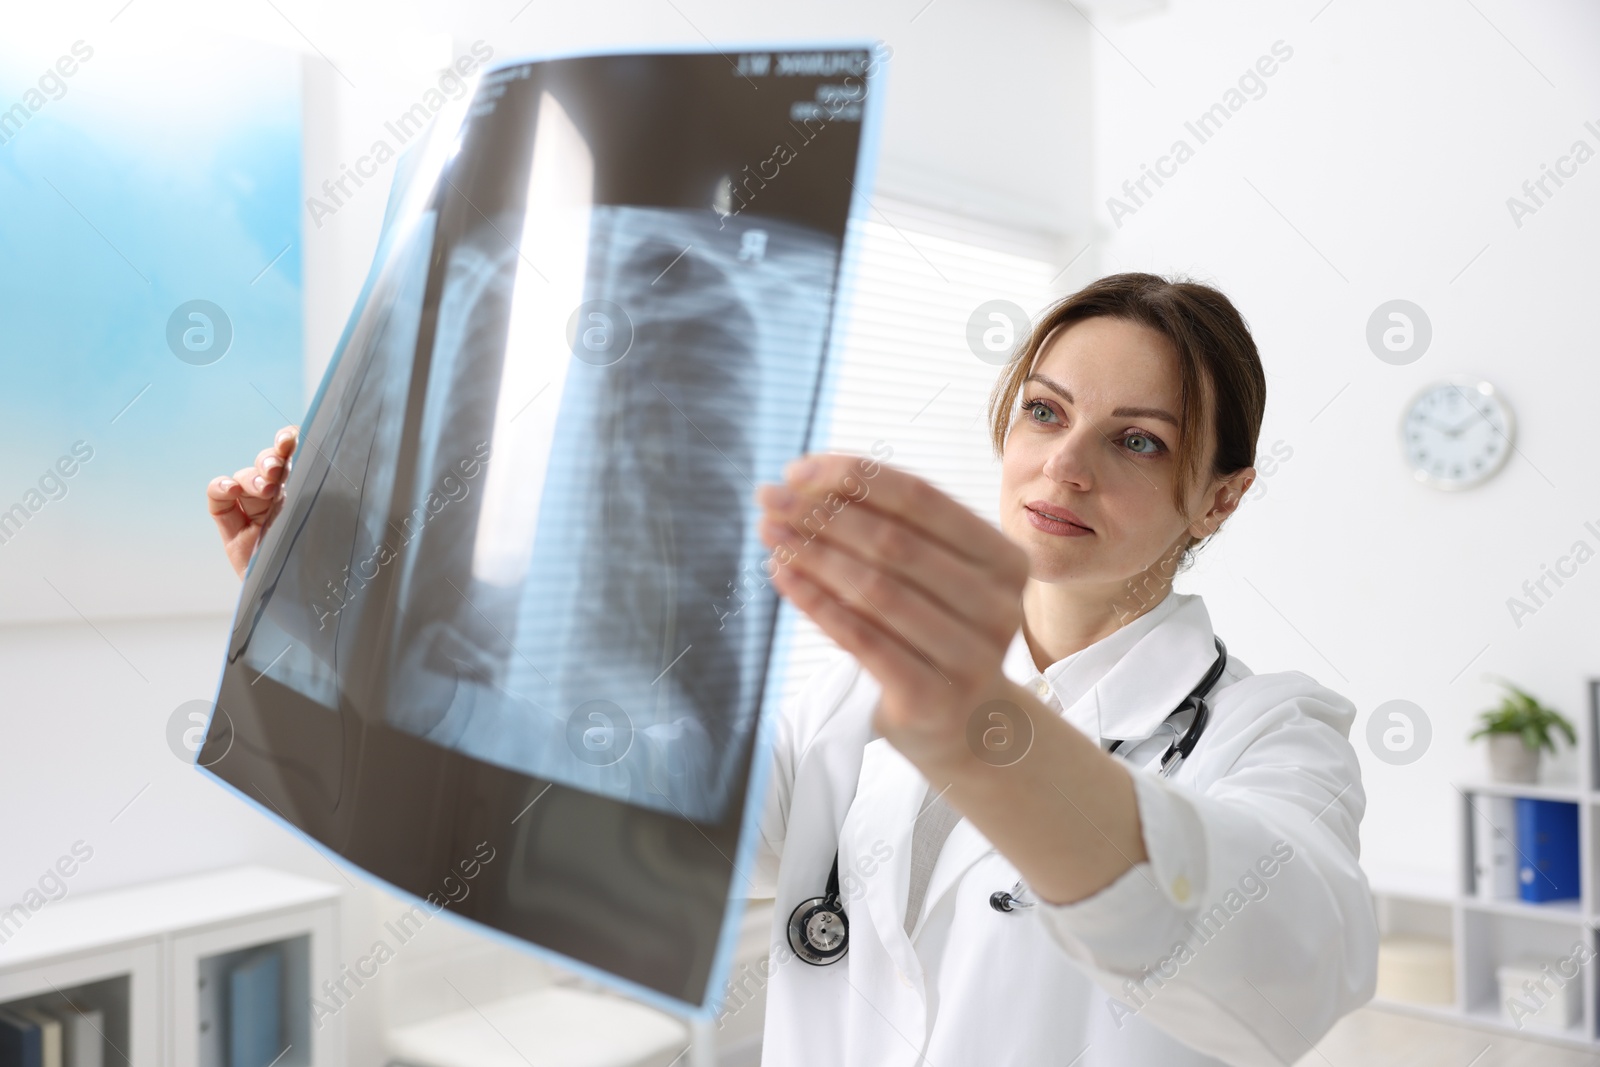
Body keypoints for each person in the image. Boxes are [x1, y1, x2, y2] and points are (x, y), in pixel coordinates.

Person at [207, 272, 1377, 1066]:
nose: (1062, 463)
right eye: (1042, 410)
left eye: (1138, 438)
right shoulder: (852, 700)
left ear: (1219, 497)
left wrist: (977, 726)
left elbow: (1286, 951)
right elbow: (597, 804)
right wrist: (326, 605)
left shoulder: (1272, 733)